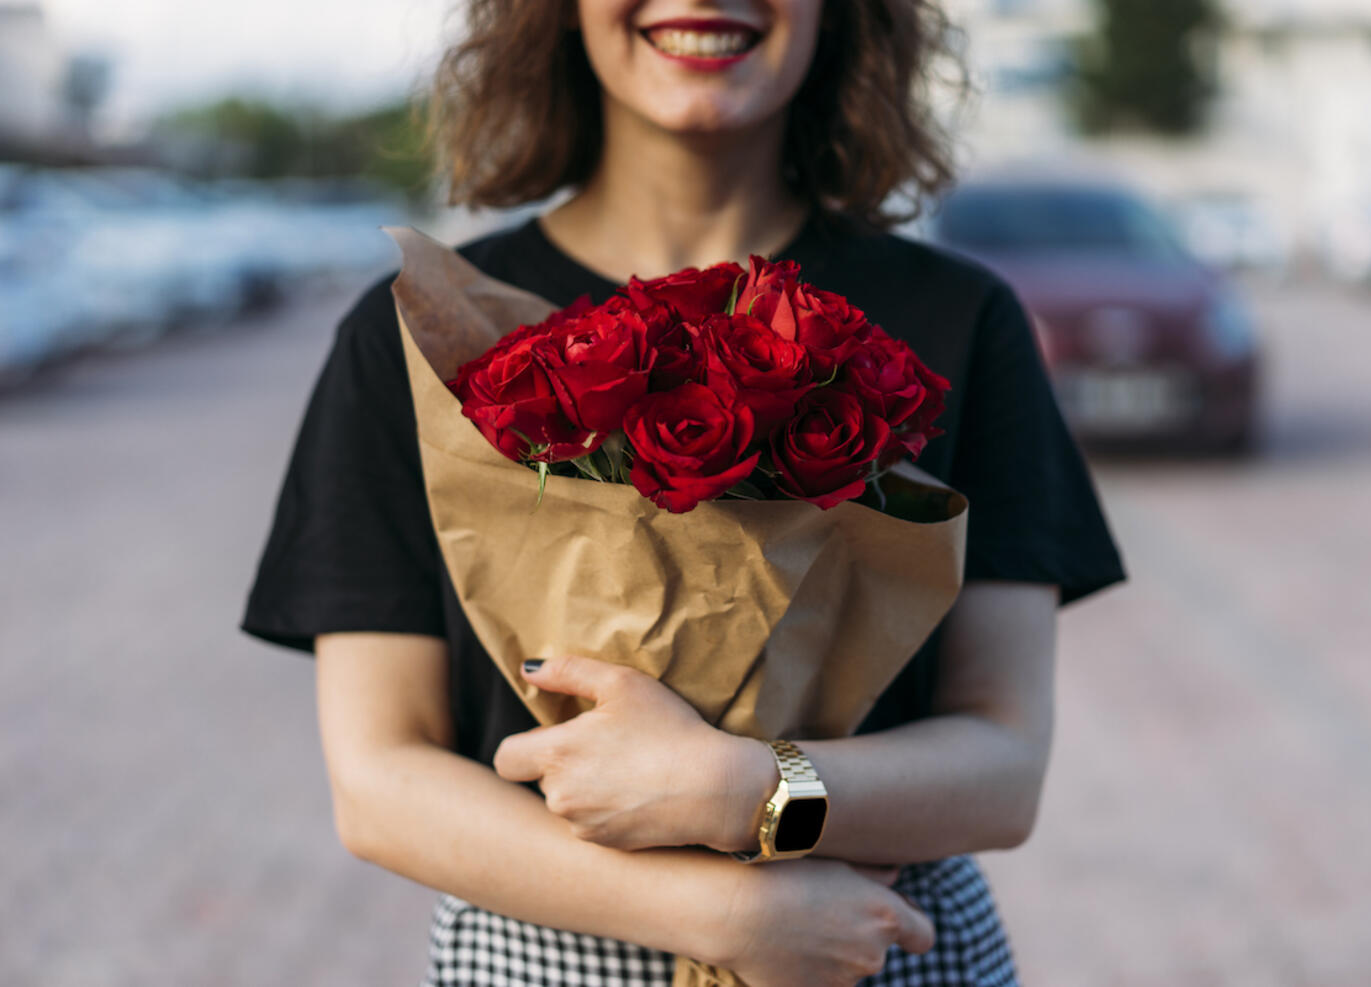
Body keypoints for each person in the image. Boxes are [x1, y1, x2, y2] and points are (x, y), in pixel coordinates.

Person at [242, 1, 1126, 984]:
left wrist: (746, 789)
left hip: (875, 941)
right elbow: (379, 780)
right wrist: (715, 912)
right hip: (547, 945)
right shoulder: (419, 333)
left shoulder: (962, 320)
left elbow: (1003, 769)